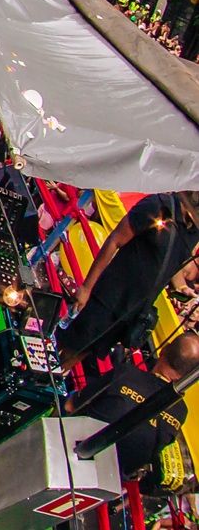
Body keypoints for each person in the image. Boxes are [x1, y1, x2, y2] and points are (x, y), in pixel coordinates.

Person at [61, 190, 199, 368]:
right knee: (69, 347)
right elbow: (115, 240)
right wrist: (87, 288)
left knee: (82, 354)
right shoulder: (158, 205)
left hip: (131, 313)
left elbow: (170, 260)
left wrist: (180, 288)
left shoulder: (193, 230)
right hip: (107, 298)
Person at [69, 331, 199, 484]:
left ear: (164, 350)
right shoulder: (180, 412)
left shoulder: (126, 373)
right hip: (108, 481)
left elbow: (70, 406)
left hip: (74, 452)